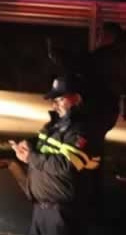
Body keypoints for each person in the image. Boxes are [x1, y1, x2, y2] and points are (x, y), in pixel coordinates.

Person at [11, 75, 100, 235]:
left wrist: (33, 158)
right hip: (41, 206)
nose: (57, 102)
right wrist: (26, 149)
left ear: (77, 98)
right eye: (55, 98)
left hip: (64, 210)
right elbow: (41, 152)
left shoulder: (84, 130)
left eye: (61, 97)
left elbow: (66, 167)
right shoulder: (53, 125)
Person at [47, 22, 125, 220]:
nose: (97, 38)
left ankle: (91, 199)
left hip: (98, 110)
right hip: (107, 110)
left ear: (108, 36)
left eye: (100, 34)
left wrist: (57, 53)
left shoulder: (106, 56)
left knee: (90, 151)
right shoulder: (118, 56)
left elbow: (82, 64)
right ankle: (93, 197)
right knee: (94, 149)